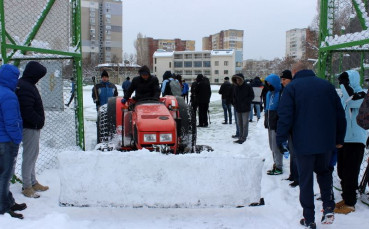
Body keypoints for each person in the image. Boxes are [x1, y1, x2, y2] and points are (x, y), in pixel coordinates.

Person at [276, 62, 346, 228]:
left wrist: (281, 139)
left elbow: (285, 116)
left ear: (294, 72)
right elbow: (339, 114)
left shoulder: (291, 88)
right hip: (326, 142)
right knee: (324, 173)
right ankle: (328, 207)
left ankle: (309, 218)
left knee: (306, 180)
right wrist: (339, 139)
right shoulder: (327, 86)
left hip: (303, 143)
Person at [16, 61, 50, 198]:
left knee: (33, 155)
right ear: (33, 74)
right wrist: (39, 120)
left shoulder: (26, 85)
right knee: (29, 156)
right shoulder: (25, 87)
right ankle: (27, 186)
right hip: (29, 127)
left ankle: (33, 181)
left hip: (32, 126)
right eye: (39, 76)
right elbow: (26, 110)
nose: (39, 79)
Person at [335, 70, 366, 214]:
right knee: (341, 171)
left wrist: (345, 84)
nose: (342, 83)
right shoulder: (345, 94)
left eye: (345, 80)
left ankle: (350, 202)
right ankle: (346, 197)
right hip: (344, 139)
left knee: (350, 172)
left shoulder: (362, 95)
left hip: (356, 140)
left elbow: (351, 101)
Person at [0, 64, 26, 219]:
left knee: (2, 174)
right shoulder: (8, 95)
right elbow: (12, 121)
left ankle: (8, 201)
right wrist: (17, 138)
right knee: (5, 175)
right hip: (6, 141)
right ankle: (3, 207)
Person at [279, 70, 298, 187]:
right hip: (289, 126)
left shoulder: (294, 90)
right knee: (292, 152)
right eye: (281, 79)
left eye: (284, 79)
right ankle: (293, 174)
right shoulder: (285, 90)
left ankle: (297, 177)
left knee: (296, 153)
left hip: (295, 126)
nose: (282, 82)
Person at [263, 74, 283, 175]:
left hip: (276, 124)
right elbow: (267, 108)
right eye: (267, 83)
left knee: (276, 146)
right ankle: (275, 163)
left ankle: (279, 166)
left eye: (270, 82)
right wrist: (266, 121)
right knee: (271, 146)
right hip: (270, 123)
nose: (268, 84)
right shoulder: (268, 94)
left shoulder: (280, 94)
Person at [231, 73, 254, 144]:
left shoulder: (248, 86)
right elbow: (234, 97)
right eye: (236, 79)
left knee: (245, 124)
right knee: (239, 123)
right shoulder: (235, 87)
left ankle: (244, 137)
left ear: (241, 79)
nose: (237, 80)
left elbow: (252, 96)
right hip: (238, 108)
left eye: (238, 79)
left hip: (245, 108)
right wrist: (234, 103)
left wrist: (246, 102)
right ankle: (240, 136)